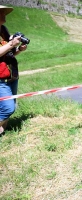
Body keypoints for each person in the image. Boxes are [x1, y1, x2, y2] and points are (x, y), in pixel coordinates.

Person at [0, 5, 27, 134]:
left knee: (11, 105)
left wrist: (18, 49)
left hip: (12, 74)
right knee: (8, 108)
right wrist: (11, 44)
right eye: (1, 12)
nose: (4, 14)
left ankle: (3, 132)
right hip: (1, 78)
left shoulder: (3, 30)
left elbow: (7, 53)